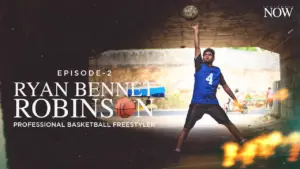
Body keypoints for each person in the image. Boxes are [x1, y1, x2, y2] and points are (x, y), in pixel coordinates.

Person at [171, 23, 246, 164]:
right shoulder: (199, 66)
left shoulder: (218, 71)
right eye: (205, 54)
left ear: (213, 57)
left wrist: (235, 99)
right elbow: (197, 47)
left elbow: (226, 87)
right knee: (186, 128)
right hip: (197, 104)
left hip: (212, 104)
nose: (206, 56)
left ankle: (243, 141)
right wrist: (196, 31)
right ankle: (177, 150)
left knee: (228, 123)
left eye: (209, 54)